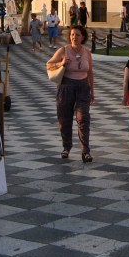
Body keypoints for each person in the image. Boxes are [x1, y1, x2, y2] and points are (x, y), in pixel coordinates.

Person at [46, 24, 94, 162]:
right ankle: (66, 147)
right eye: (72, 35)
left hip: (83, 88)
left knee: (83, 119)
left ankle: (85, 151)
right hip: (66, 87)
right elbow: (49, 64)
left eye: (77, 35)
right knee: (64, 119)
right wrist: (61, 64)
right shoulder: (63, 50)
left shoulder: (87, 52)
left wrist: (92, 91)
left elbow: (90, 72)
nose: (74, 37)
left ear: (83, 37)